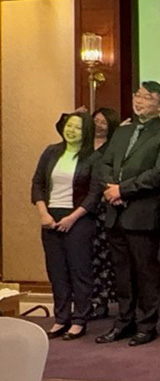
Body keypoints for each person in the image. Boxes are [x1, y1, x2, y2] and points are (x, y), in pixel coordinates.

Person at [95, 81, 160, 347]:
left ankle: (147, 324)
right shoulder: (123, 131)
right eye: (138, 95)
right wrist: (111, 189)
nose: (139, 100)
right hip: (115, 211)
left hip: (142, 213)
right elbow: (104, 163)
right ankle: (124, 321)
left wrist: (123, 190)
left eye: (147, 97)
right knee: (122, 272)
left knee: (145, 272)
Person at [31, 112, 102, 340]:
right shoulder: (51, 152)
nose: (71, 131)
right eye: (69, 126)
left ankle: (80, 319)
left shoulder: (94, 157)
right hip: (50, 217)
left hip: (79, 219)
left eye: (77, 128)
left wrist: (72, 218)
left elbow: (94, 193)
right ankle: (61, 318)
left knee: (79, 270)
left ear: (86, 132)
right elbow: (38, 183)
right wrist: (43, 213)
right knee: (57, 271)